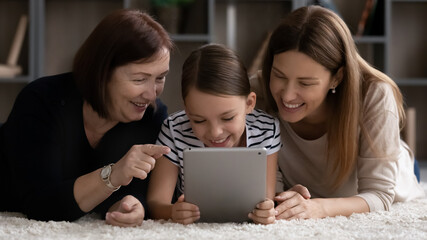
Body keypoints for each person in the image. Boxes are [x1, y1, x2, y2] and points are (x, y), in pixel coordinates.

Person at [0, 9, 173, 227]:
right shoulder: (42, 100)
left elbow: (138, 190)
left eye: (160, 78)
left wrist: (130, 204)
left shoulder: (153, 116)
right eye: (140, 79)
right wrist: (113, 175)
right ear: (101, 73)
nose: (151, 94)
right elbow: (40, 204)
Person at [252, 5, 425, 220]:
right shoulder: (254, 95)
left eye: (305, 83)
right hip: (313, 184)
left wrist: (317, 208)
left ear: (337, 77)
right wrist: (281, 196)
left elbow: (379, 195)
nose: (287, 96)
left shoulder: (375, 94)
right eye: (279, 76)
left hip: (392, 172)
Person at [147, 44, 281, 225]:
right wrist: (173, 211)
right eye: (199, 120)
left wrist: (266, 211)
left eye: (227, 118)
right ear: (187, 110)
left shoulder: (267, 128)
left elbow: (267, 199)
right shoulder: (174, 129)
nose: (215, 132)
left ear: (249, 103)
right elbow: (156, 203)